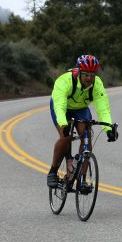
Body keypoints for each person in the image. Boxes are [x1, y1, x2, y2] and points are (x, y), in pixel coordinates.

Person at [47, 54, 117, 188]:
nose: (89, 78)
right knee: (66, 136)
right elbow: (60, 106)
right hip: (63, 107)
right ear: (79, 72)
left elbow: (103, 108)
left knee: (86, 136)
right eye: (86, 74)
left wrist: (109, 129)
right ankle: (53, 171)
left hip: (81, 108)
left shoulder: (97, 84)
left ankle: (82, 180)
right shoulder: (64, 81)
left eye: (92, 74)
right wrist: (63, 124)